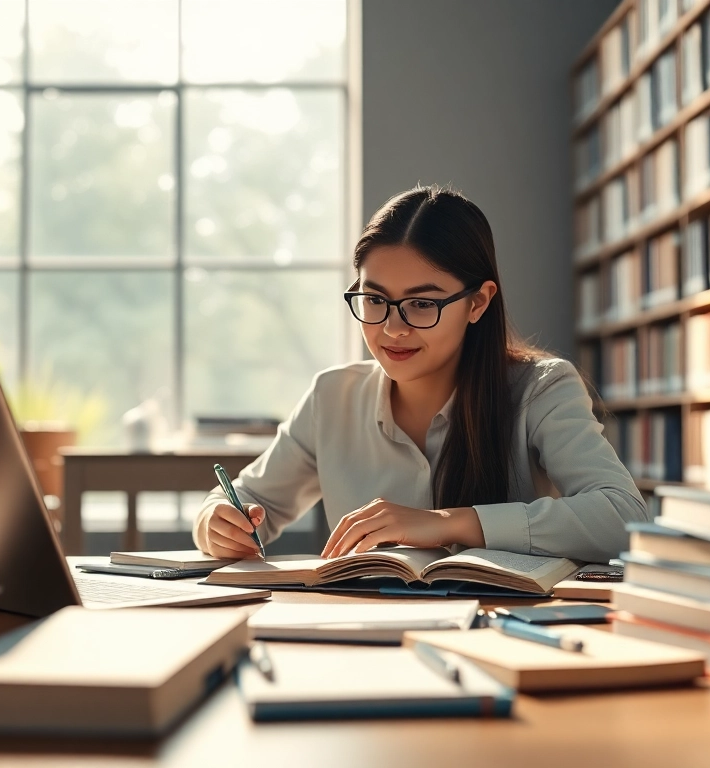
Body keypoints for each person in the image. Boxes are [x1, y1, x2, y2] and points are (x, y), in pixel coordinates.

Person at [193, 185, 648, 564]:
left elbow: (624, 519)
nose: (392, 328)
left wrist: (447, 523)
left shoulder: (541, 388)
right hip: (361, 637)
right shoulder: (332, 396)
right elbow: (246, 500)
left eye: (422, 304)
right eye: (375, 300)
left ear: (478, 302)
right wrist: (216, 522)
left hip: (499, 633)